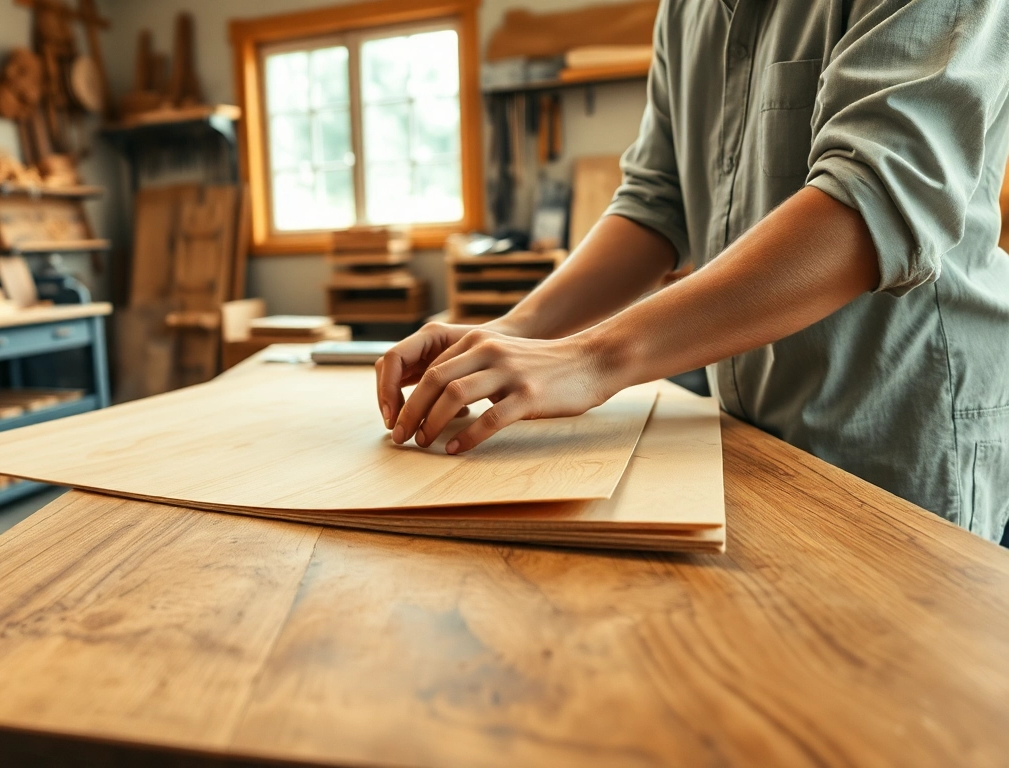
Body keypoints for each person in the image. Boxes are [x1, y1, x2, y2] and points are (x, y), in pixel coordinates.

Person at [376, 0, 1009, 541]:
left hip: (896, 434)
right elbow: (657, 200)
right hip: (748, 430)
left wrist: (592, 359)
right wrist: (518, 330)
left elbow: (871, 203)